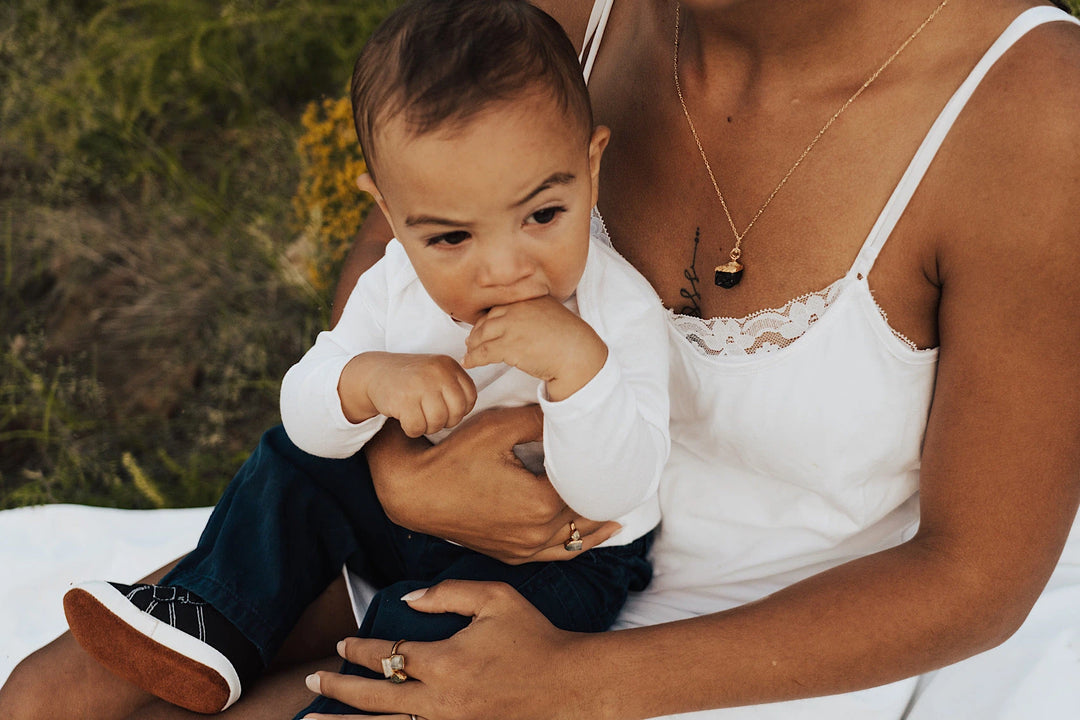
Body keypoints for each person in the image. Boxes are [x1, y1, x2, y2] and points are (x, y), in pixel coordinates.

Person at [3, 0, 1079, 719]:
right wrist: (401, 473)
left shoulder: (1033, 116)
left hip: (729, 645)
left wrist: (571, 685)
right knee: (55, 700)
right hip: (456, 526)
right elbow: (407, 229)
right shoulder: (575, 12)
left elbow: (975, 577)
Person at [58, 0, 668, 717]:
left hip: (554, 558)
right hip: (403, 517)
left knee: (444, 623)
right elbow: (307, 410)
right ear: (391, 210)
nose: (504, 268)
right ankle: (211, 613)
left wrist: (578, 373)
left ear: (589, 167)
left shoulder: (616, 310)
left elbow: (619, 491)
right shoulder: (392, 286)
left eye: (542, 216)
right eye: (449, 238)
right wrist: (364, 380)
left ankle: (378, 707)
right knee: (290, 467)